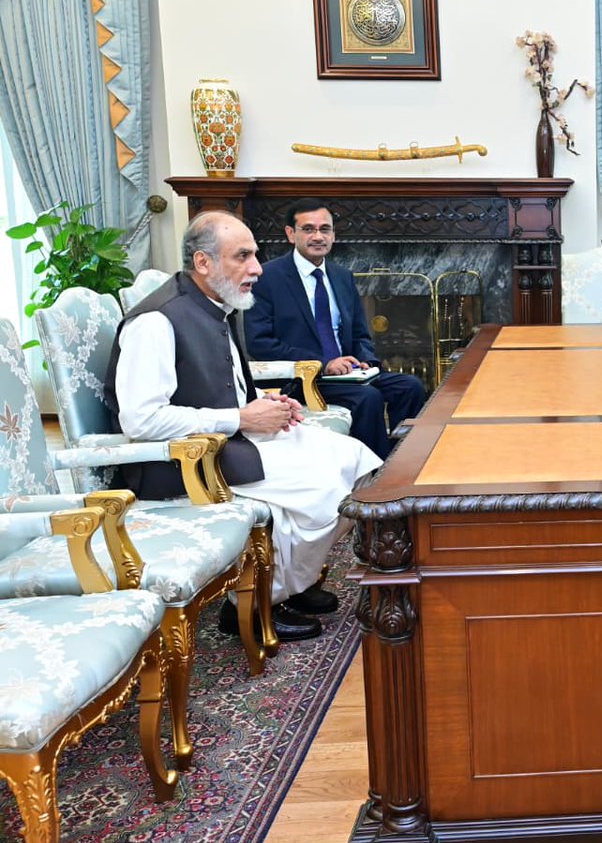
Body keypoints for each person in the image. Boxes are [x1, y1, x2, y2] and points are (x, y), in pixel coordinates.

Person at [104, 211, 383, 643]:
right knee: (324, 491)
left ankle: (291, 584)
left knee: (357, 462)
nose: (256, 268)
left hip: (228, 441)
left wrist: (261, 404)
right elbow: (141, 420)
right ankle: (249, 608)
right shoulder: (156, 321)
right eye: (243, 257)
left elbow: (215, 386)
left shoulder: (216, 303)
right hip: (183, 464)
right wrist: (240, 417)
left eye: (254, 255)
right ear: (203, 262)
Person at [244, 199, 426, 460]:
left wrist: (366, 362)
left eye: (325, 229)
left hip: (347, 374)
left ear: (333, 234)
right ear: (290, 233)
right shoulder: (266, 278)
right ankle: (372, 476)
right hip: (300, 379)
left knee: (410, 386)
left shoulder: (341, 276)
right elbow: (260, 344)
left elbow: (361, 334)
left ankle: (405, 462)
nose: (318, 236)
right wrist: (324, 363)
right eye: (308, 229)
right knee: (368, 398)